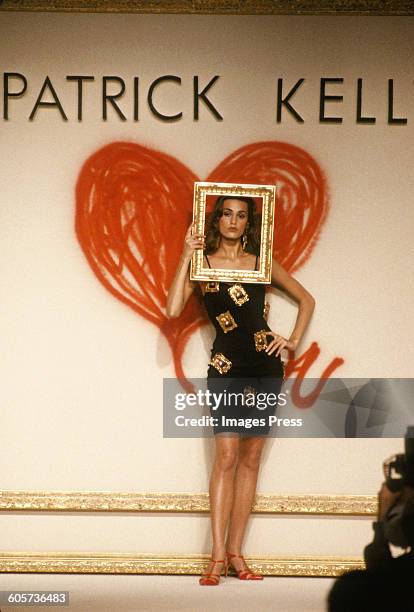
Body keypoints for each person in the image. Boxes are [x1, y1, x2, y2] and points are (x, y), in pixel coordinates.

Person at [166, 195, 315, 585]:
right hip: (225, 367)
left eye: (241, 215)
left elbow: (306, 299)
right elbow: (171, 309)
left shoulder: (260, 261)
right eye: (227, 213)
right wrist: (186, 254)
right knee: (227, 456)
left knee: (251, 458)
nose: (233, 220)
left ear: (249, 222)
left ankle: (236, 553)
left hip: (265, 367)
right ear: (217, 220)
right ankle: (216, 557)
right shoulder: (204, 262)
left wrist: (292, 340)